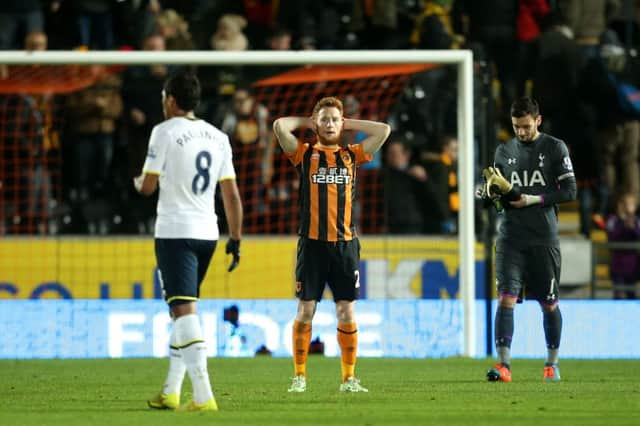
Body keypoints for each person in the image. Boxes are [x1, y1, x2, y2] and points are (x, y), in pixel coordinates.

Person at [133, 70, 243, 411]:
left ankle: (204, 395)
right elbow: (232, 195)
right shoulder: (218, 136)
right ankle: (170, 390)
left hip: (175, 231)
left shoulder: (163, 132)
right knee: (181, 310)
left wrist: (138, 182)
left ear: (170, 99)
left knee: (183, 311)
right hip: (208, 233)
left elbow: (149, 186)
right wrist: (235, 238)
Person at [273, 96, 390, 393]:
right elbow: (278, 126)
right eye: (324, 119)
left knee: (346, 312)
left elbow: (383, 130)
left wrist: (346, 122)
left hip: (345, 247)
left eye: (334, 120)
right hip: (311, 245)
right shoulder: (304, 153)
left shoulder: (352, 155)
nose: (329, 124)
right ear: (315, 123)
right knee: (305, 310)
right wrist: (308, 120)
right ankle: (299, 376)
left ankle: (348, 379)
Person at [480, 97, 577, 383]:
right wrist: (491, 196)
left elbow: (570, 191)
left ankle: (551, 364)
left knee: (549, 303)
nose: (521, 132)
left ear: (538, 120)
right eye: (515, 127)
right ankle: (504, 365)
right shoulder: (504, 150)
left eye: (525, 126)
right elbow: (500, 204)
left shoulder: (555, 147)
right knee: (506, 298)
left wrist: (533, 198)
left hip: (543, 238)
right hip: (510, 238)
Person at [606, 193, 640, 299]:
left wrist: (633, 228)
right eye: (625, 204)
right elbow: (611, 236)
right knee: (619, 295)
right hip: (617, 265)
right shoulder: (613, 220)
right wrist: (623, 225)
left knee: (632, 296)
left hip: (633, 265)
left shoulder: (637, 221)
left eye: (631, 205)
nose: (628, 207)